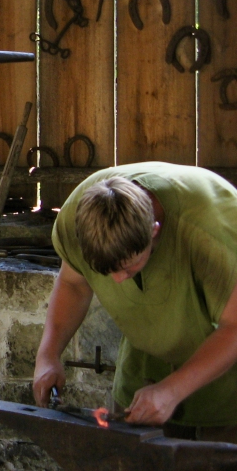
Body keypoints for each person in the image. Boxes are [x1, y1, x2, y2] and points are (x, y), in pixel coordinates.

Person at [32, 162, 237, 439]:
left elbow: (234, 328)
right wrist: (48, 355)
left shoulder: (210, 231)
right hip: (144, 369)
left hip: (226, 387)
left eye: (129, 268)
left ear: (154, 230)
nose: (118, 280)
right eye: (107, 272)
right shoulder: (77, 219)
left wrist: (173, 390)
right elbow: (74, 284)